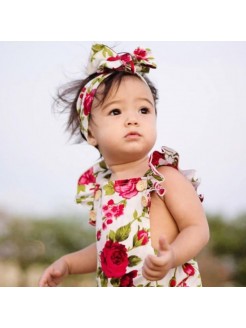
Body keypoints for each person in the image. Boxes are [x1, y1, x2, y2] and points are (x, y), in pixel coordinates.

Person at [39, 43, 209, 287]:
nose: (132, 120)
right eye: (116, 111)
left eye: (143, 109)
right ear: (91, 134)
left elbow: (197, 228)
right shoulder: (103, 189)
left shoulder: (163, 177)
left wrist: (172, 256)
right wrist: (68, 263)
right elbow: (106, 250)